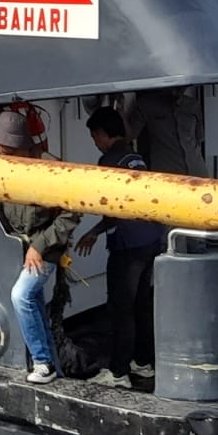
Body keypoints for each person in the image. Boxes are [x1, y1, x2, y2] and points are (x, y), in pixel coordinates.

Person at [0, 106, 81, 385]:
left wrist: (39, 245)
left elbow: (72, 212)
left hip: (46, 249)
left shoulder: (49, 169)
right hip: (21, 246)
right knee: (36, 306)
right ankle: (55, 368)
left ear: (15, 143)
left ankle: (42, 363)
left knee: (21, 296)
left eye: (0, 141)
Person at [75, 106, 166, 389]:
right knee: (142, 304)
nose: (95, 142)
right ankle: (144, 362)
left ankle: (118, 373)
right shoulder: (135, 157)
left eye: (94, 136)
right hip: (150, 238)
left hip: (128, 245)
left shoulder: (110, 161)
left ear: (104, 134)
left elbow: (112, 208)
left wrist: (94, 231)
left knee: (121, 309)